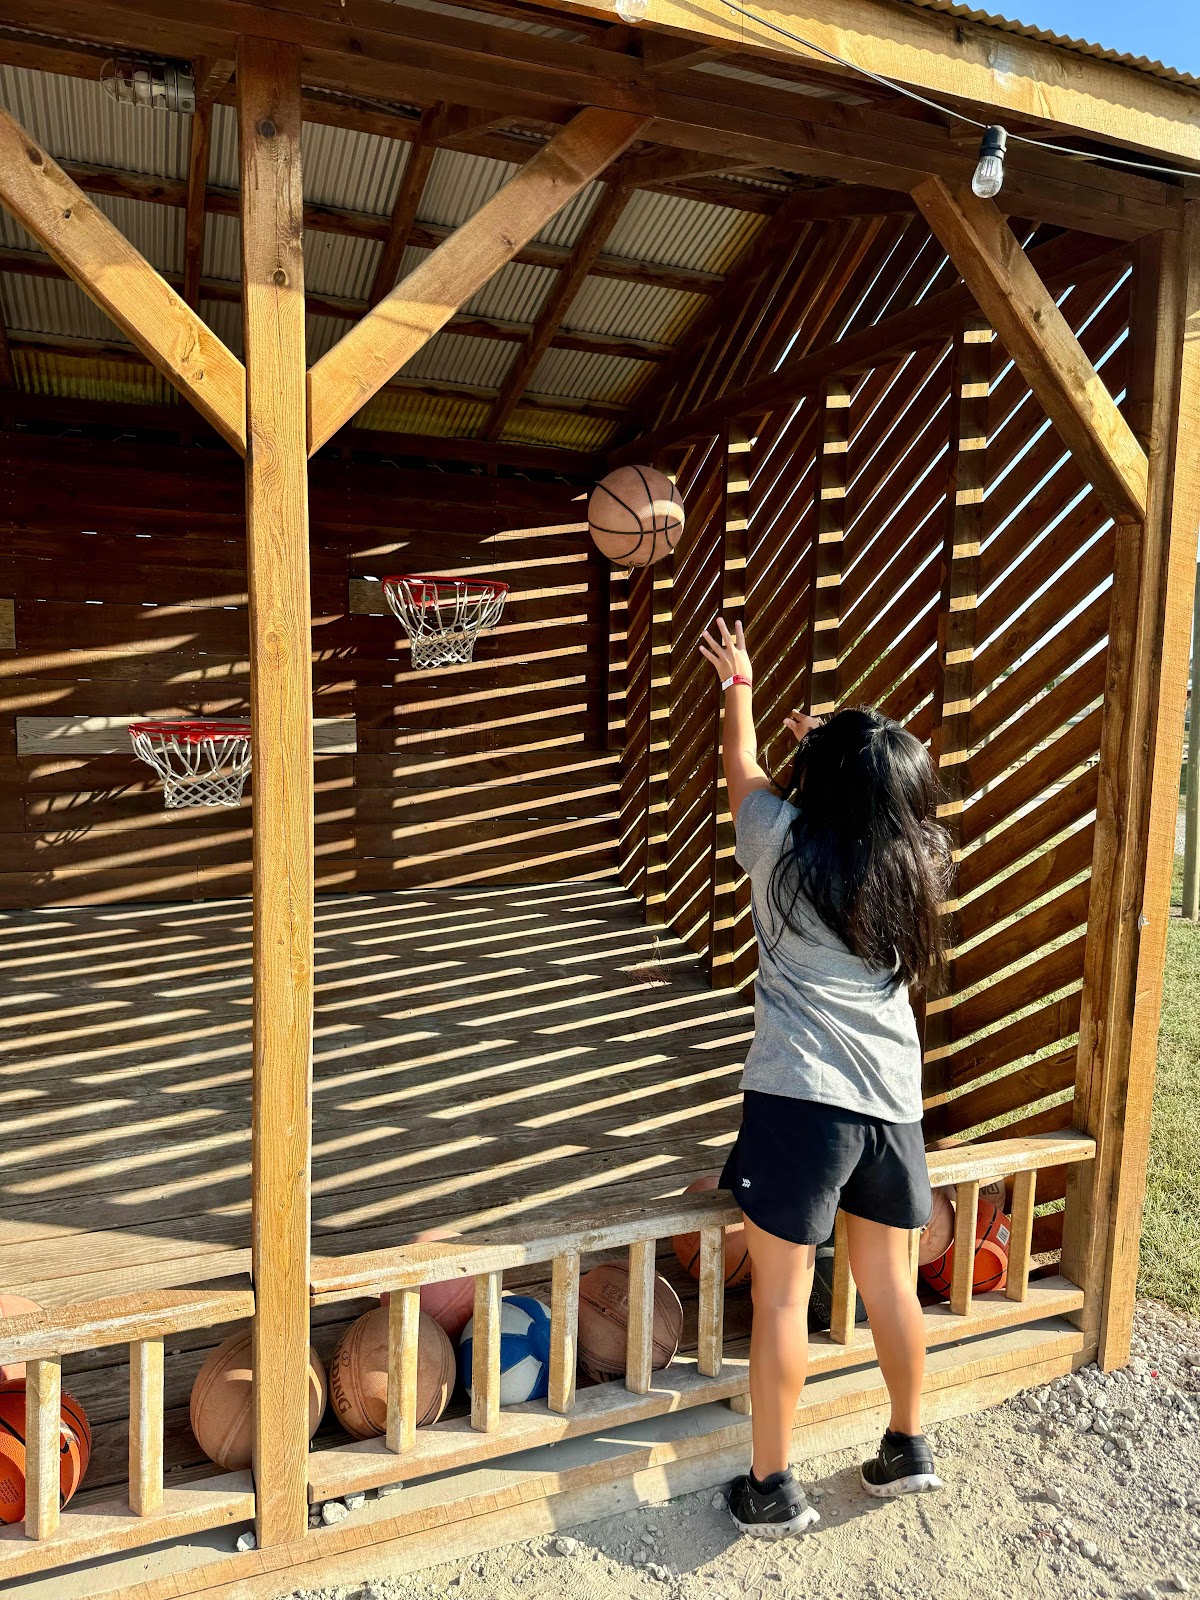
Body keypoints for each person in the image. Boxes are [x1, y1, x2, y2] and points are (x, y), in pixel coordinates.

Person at [698, 615, 952, 1538]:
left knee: (779, 1297)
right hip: (891, 1107)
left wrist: (741, 688)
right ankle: (907, 1446)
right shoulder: (924, 861)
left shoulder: (779, 840)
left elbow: (744, 769)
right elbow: (887, 801)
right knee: (889, 1284)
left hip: (802, 1099)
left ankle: (771, 1486)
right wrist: (838, 752)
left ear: (822, 781)